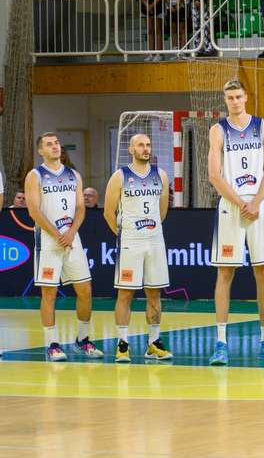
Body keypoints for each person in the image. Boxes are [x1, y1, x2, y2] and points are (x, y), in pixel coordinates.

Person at [207, 80, 264, 366]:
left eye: (238, 96)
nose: (235, 101)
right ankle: (221, 342)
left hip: (259, 202)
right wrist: (241, 204)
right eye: (230, 97)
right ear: (225, 100)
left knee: (263, 273)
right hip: (231, 205)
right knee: (225, 273)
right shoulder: (218, 130)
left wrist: (256, 202)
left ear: (246, 97)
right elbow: (215, 175)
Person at [25, 132, 103, 362]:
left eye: (57, 143)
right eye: (49, 144)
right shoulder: (35, 175)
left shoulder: (74, 175)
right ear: (40, 151)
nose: (55, 147)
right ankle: (52, 344)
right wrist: (57, 234)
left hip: (71, 238)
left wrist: (70, 232)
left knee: (85, 290)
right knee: (49, 293)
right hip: (48, 240)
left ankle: (83, 339)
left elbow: (80, 208)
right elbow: (34, 211)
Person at [102, 134, 173, 364]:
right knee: (125, 293)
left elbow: (162, 211)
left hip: (154, 241)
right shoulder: (119, 176)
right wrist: (123, 236)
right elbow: (108, 212)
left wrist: (150, 230)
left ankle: (154, 343)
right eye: (141, 145)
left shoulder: (160, 175)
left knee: (155, 293)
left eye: (148, 145)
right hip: (130, 242)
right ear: (131, 149)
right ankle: (123, 344)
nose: (146, 148)